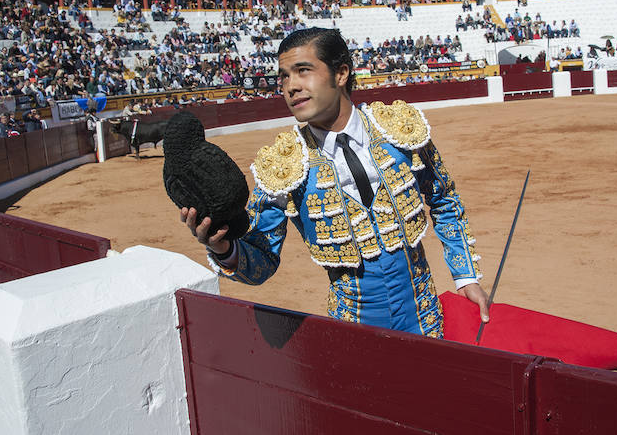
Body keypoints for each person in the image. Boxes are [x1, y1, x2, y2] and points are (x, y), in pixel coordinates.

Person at [180, 27, 489, 338]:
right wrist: (224, 249)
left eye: (303, 71)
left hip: (425, 320)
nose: (291, 86)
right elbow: (262, 260)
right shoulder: (283, 165)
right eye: (284, 77)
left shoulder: (398, 130)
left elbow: (444, 199)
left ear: (341, 73)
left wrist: (466, 277)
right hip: (353, 333)